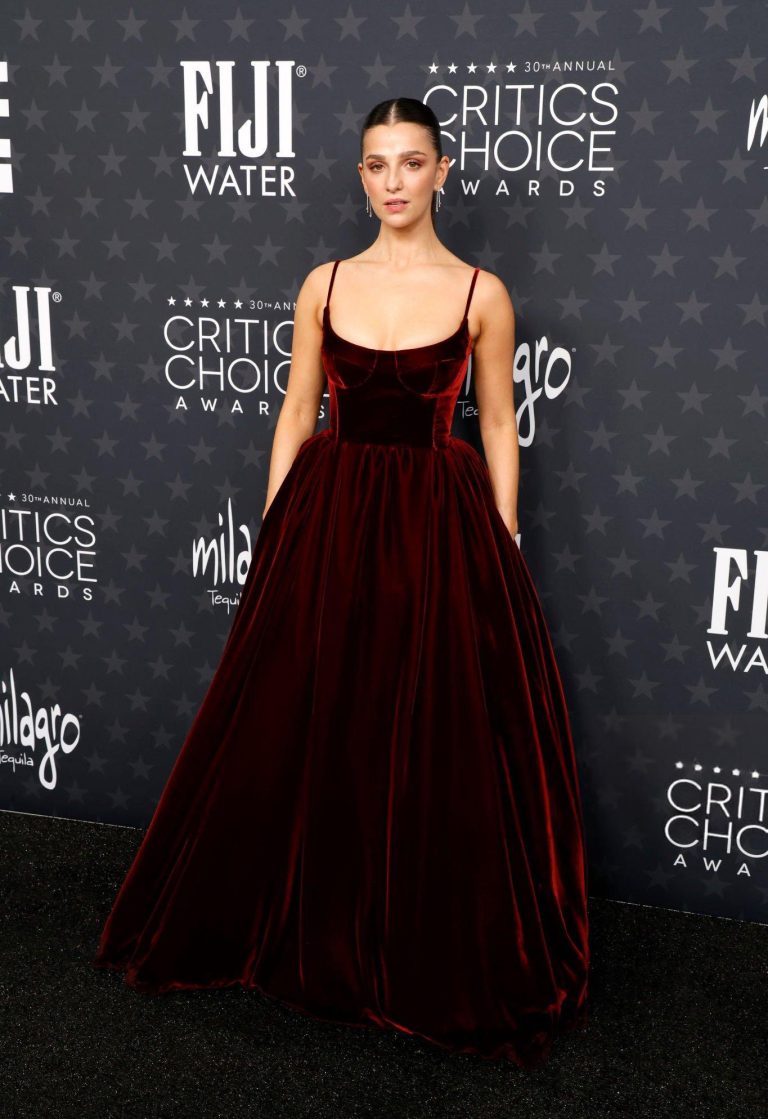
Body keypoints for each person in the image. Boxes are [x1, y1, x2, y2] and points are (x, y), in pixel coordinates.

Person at [92, 96, 590, 1070]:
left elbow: (496, 423)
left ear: (443, 171)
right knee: (317, 714)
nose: (395, 181)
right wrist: (275, 525)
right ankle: (308, 923)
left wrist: (503, 537)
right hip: (330, 518)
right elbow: (295, 410)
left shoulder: (483, 293)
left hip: (441, 527)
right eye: (377, 164)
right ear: (360, 177)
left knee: (428, 720)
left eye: (412, 162)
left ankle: (410, 942)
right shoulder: (322, 283)